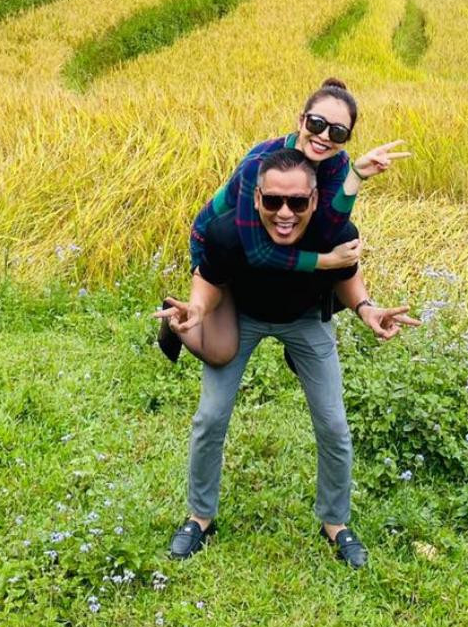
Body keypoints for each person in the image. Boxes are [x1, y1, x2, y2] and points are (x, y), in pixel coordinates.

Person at [161, 147, 419, 569]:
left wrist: (368, 309)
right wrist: (197, 311)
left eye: (297, 202)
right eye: (273, 201)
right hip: (240, 315)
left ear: (314, 201)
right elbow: (207, 279)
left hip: (304, 321)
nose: (285, 212)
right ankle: (200, 517)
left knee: (334, 424)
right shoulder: (231, 232)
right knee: (210, 417)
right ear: (257, 196)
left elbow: (348, 277)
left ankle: (335, 523)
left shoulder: (334, 231)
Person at [158, 77, 409, 366]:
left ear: (346, 139)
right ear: (301, 121)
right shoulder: (261, 164)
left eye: (338, 132)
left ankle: (299, 343)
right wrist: (326, 261)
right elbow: (258, 252)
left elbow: (328, 230)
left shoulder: (337, 163)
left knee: (330, 252)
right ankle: (178, 317)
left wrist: (356, 176)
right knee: (220, 354)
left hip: (275, 234)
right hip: (225, 243)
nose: (325, 136)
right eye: (317, 124)